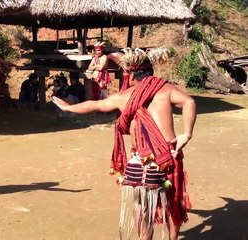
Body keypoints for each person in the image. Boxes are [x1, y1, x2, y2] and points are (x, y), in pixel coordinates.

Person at [53, 47, 196, 240]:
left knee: (142, 210)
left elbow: (95, 105)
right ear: (150, 71)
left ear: (130, 74)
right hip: (168, 155)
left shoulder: (124, 96)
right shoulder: (164, 88)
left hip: (140, 161)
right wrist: (186, 134)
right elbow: (189, 102)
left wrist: (69, 107)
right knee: (173, 204)